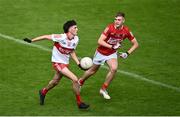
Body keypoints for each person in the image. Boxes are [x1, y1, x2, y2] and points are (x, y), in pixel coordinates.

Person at [23, 20, 89, 109]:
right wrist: (31, 40)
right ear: (69, 29)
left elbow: (72, 51)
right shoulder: (61, 37)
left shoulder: (76, 39)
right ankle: (79, 103)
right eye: (75, 27)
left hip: (65, 63)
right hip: (57, 63)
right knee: (75, 79)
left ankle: (43, 92)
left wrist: (78, 63)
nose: (77, 29)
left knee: (55, 82)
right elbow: (46, 37)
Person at [78, 12, 139, 99]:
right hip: (101, 52)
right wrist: (112, 46)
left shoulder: (126, 31)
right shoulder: (109, 28)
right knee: (92, 71)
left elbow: (136, 44)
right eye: (115, 19)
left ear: (123, 21)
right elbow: (99, 41)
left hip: (111, 53)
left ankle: (103, 89)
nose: (116, 21)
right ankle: (80, 82)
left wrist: (127, 53)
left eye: (119, 20)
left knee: (114, 68)